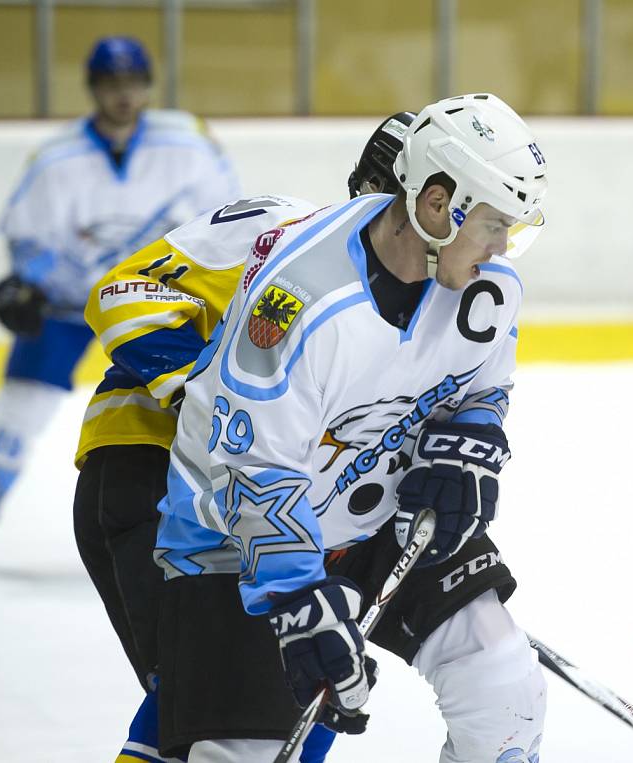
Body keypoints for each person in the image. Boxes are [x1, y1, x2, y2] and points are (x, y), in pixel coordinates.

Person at [153, 93, 549, 763]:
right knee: (242, 751)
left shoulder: (486, 282)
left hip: (378, 510)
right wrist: (296, 592)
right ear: (435, 206)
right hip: (238, 537)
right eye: (492, 224)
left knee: (504, 682)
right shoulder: (299, 298)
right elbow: (251, 471)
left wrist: (470, 441)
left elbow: (481, 386)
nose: (502, 247)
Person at [73, 113, 417, 763]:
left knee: (239, 700)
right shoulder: (287, 231)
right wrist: (215, 396)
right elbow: (125, 294)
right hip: (161, 478)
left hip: (215, 505)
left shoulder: (395, 317)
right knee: (269, 697)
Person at [0, 36, 240, 556]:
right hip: (68, 306)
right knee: (17, 411)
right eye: (112, 84)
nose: (124, 95)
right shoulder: (58, 158)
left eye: (132, 83)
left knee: (191, 407)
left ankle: (203, 521)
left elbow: (223, 223)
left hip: (158, 305)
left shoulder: (189, 146)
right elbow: (31, 241)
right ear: (93, 89)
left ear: (147, 86)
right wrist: (26, 282)